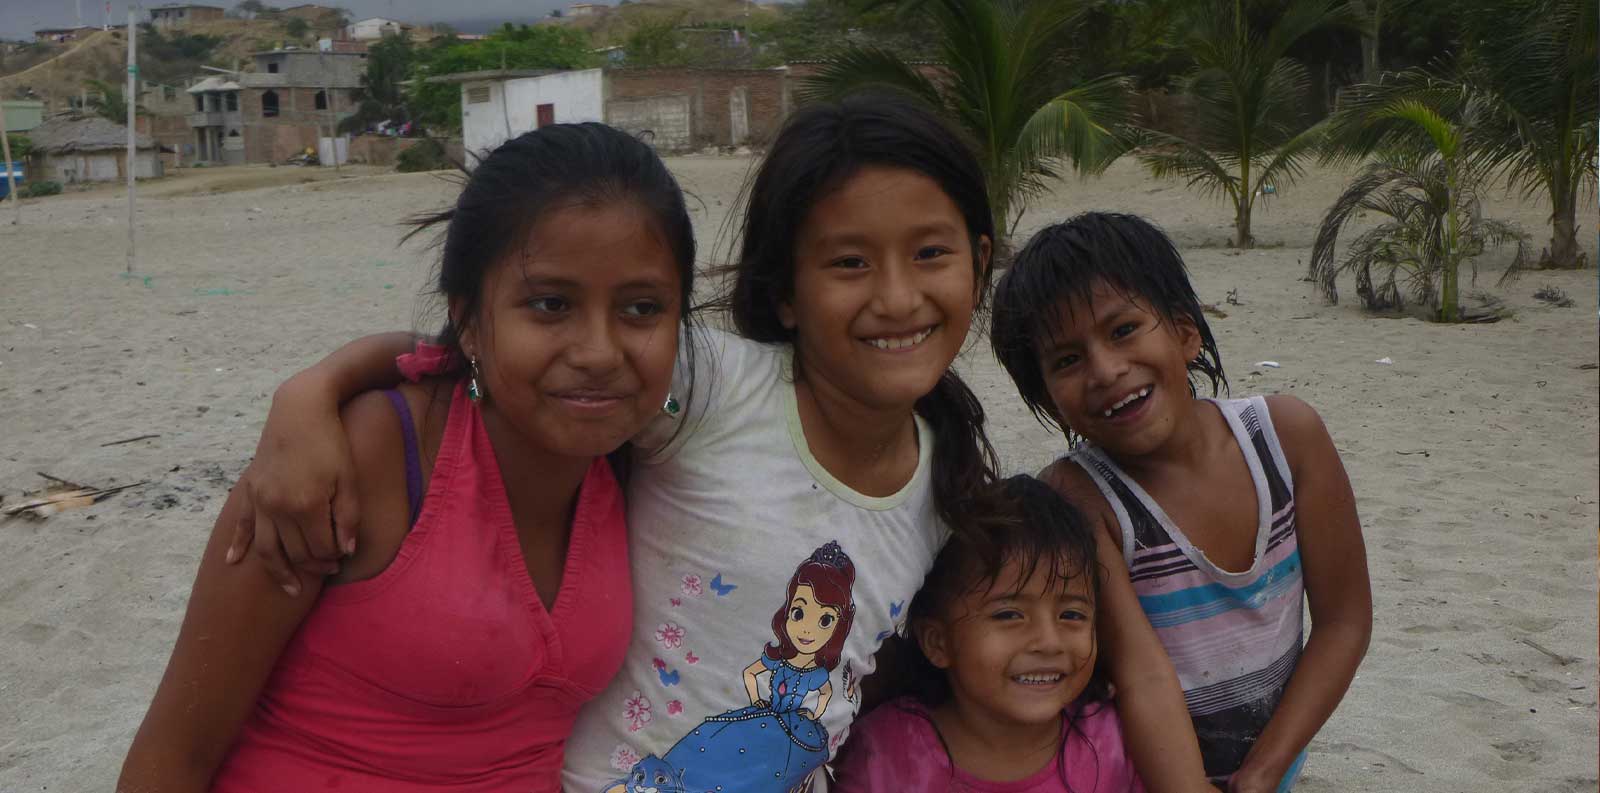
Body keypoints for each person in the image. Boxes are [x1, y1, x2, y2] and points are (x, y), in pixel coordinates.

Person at [224, 97, 1213, 792]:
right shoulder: (712, 386)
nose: (897, 297)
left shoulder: (947, 482)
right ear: (784, 290)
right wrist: (318, 389)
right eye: (848, 263)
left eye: (930, 254)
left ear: (979, 262)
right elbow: (548, 362)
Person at [116, 122, 696, 793]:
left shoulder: (642, 456)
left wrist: (323, 378)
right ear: (470, 318)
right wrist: (312, 390)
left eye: (641, 308)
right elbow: (174, 755)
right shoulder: (361, 457)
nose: (598, 352)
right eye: (550, 304)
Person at [989, 212, 1373, 793]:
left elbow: (1344, 621)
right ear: (1048, 398)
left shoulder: (1287, 439)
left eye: (1123, 330)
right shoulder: (1081, 498)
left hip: (1272, 760)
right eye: (1067, 360)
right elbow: (1140, 676)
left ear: (1185, 332)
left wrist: (1264, 770)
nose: (1106, 370)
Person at [833, 475, 1144, 793]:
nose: (1049, 642)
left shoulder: (1115, 743)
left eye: (1072, 615)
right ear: (938, 642)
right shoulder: (883, 756)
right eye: (1009, 615)